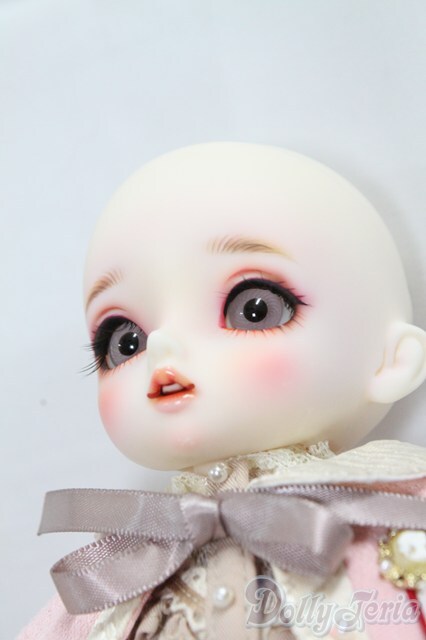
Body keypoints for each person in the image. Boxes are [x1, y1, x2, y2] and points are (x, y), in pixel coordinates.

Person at [19, 143, 426, 640]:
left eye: (253, 308)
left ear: (392, 359)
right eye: (126, 341)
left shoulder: (388, 515)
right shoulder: (124, 563)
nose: (163, 349)